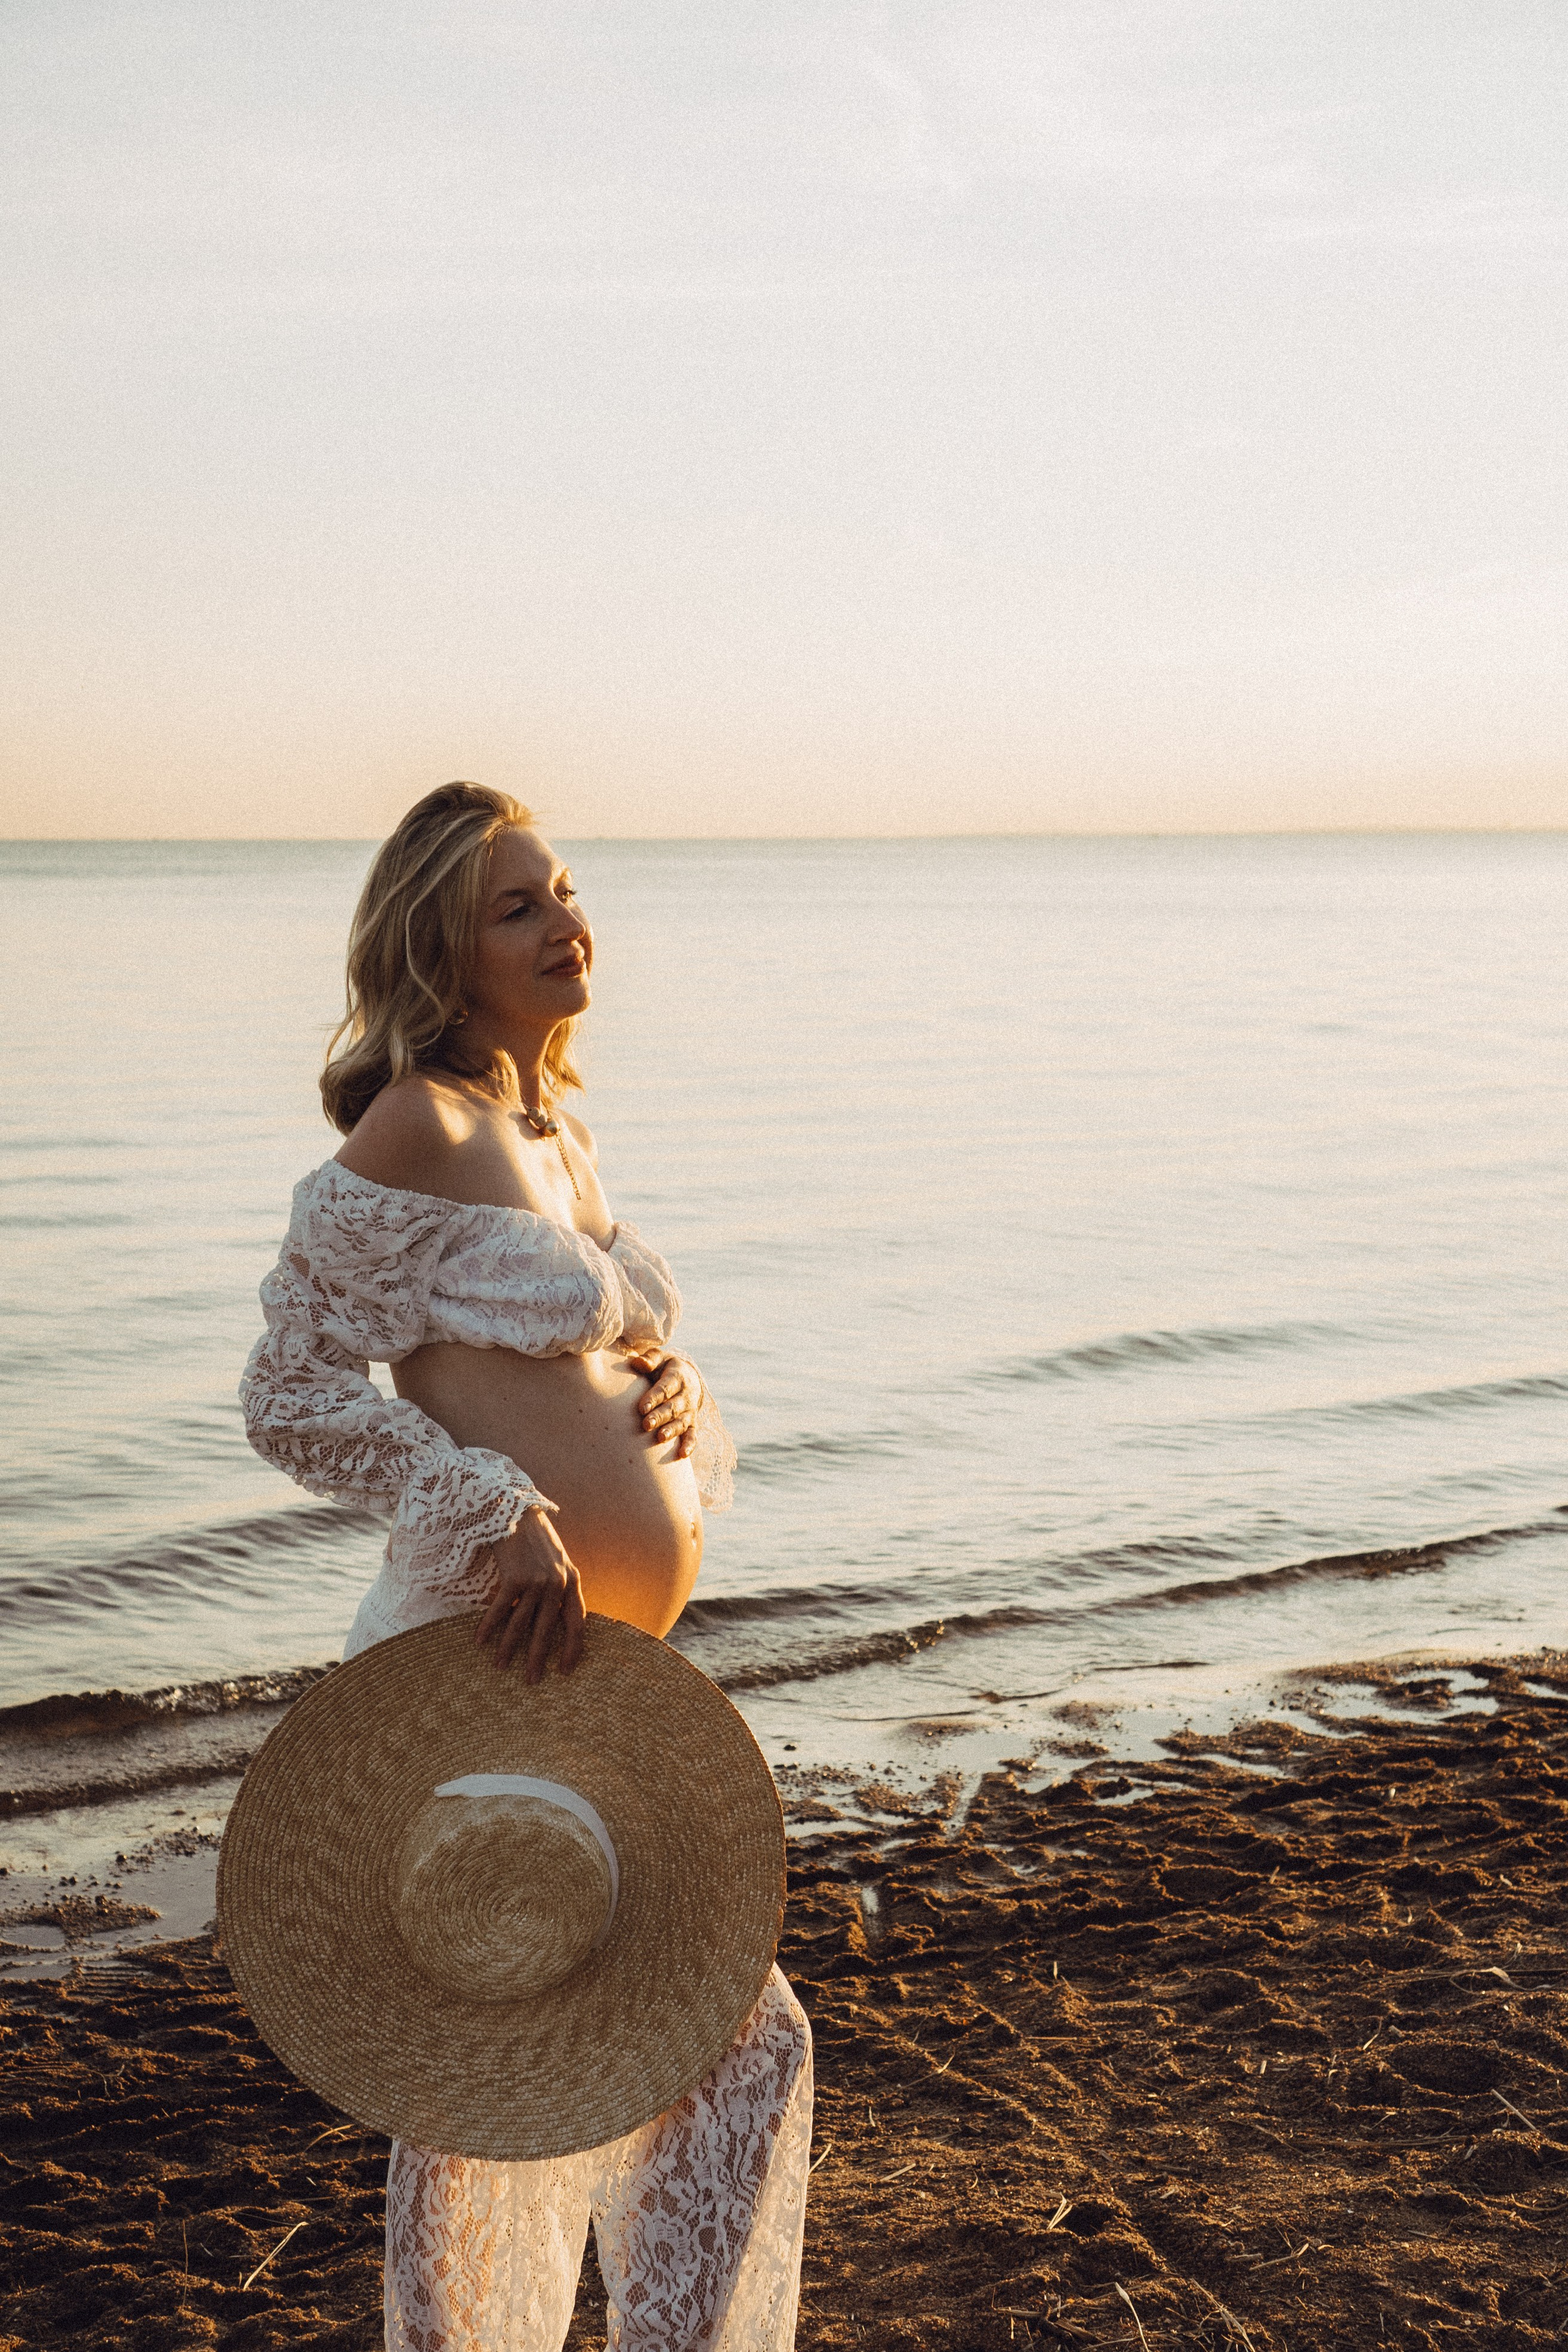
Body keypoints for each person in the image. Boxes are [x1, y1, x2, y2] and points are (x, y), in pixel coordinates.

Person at [239, 782, 812, 2351]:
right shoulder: (415, 1123)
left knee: (640, 2043)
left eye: (563, 891)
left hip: (596, 1681)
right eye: (517, 906)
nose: (566, 922)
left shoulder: (555, 1133)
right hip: (472, 1657)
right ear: (440, 945)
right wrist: (486, 1500)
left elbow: (588, 1355)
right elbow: (286, 1391)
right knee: (515, 2057)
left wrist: (674, 1394)